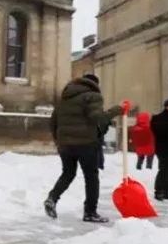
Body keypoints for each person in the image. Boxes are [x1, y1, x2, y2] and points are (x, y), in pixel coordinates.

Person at [44, 75, 123, 223]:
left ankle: (52, 198)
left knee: (68, 173)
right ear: (94, 84)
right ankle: (90, 212)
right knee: (91, 177)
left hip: (65, 144)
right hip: (86, 143)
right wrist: (116, 110)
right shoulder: (93, 96)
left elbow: (53, 122)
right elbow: (97, 118)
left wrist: (59, 140)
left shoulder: (64, 99)